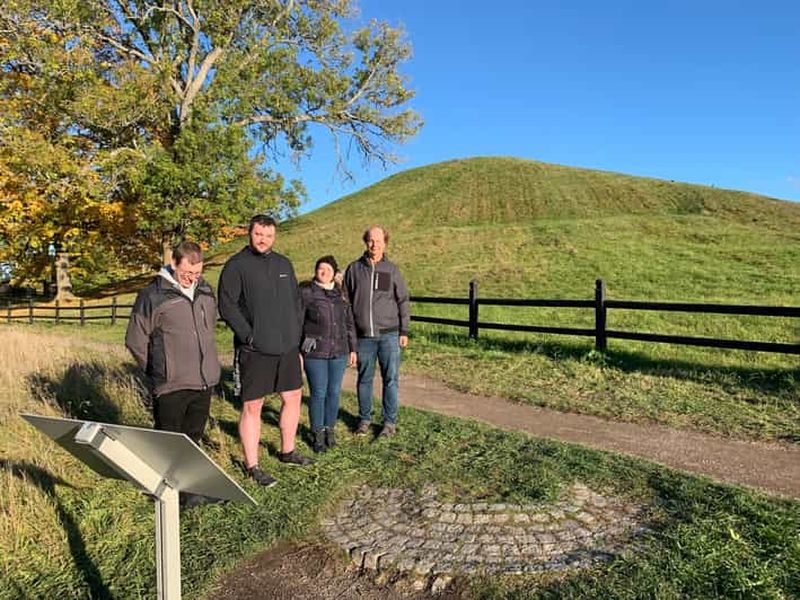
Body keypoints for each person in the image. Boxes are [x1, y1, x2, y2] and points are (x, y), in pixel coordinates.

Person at [218, 215, 313, 488]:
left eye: (268, 236)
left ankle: (287, 451)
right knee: (253, 405)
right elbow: (227, 305)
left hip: (287, 348)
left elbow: (296, 303)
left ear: (274, 237)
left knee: (293, 397)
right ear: (250, 233)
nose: (263, 240)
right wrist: (249, 336)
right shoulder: (236, 266)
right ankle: (253, 466)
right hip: (255, 350)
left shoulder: (284, 264)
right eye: (259, 234)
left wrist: (295, 338)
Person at [125, 241, 221, 507]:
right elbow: (135, 339)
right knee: (169, 442)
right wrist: (159, 370)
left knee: (193, 438)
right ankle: (164, 496)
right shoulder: (152, 295)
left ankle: (189, 492)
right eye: (187, 273)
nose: (192, 278)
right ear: (174, 264)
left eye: (197, 273)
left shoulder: (205, 290)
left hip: (203, 381)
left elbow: (208, 329)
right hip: (171, 384)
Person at [344, 226, 410, 438]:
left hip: (389, 335)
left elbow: (402, 300)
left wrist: (404, 330)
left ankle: (389, 422)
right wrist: (350, 337)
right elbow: (346, 303)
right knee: (364, 379)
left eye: (379, 241)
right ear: (366, 242)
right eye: (371, 240)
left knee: (390, 379)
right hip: (364, 337)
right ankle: (364, 419)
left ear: (385, 243)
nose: (375, 244)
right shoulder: (354, 269)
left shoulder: (391, 270)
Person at [299, 255, 357, 453]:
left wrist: (353, 348)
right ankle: (317, 433)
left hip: (339, 352)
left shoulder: (340, 295)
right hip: (315, 352)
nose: (324, 272)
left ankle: (329, 430)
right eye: (320, 268)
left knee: (334, 392)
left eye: (329, 269)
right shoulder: (306, 292)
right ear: (316, 271)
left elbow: (349, 323)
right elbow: (297, 322)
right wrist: (298, 350)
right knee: (318, 393)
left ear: (334, 273)